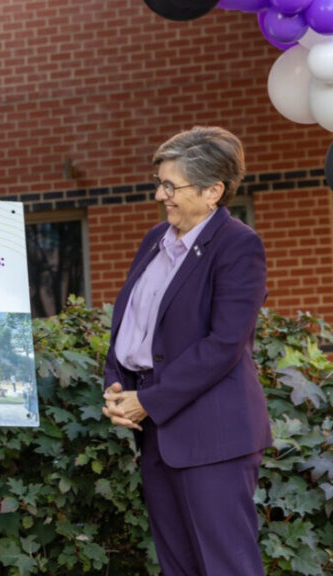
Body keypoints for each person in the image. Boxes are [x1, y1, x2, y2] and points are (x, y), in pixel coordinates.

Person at [101, 127, 270, 576]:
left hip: (212, 435)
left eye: (171, 185)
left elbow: (223, 345)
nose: (160, 194)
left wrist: (147, 402)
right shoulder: (156, 239)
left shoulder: (238, 246)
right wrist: (117, 384)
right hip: (159, 433)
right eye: (159, 182)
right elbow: (134, 324)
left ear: (213, 190)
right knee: (179, 567)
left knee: (224, 566)